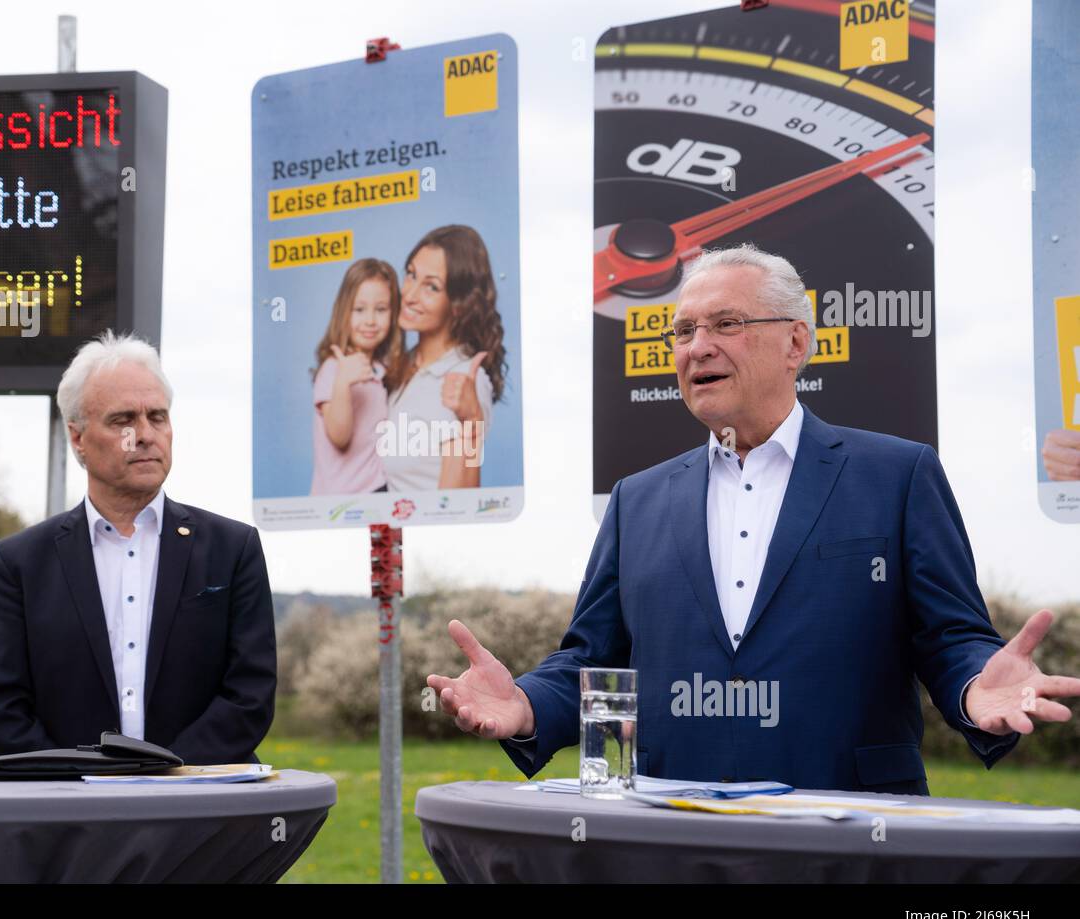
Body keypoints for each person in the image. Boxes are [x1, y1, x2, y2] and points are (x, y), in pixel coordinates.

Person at [428, 244, 1080, 794]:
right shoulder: (636, 500)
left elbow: (949, 639)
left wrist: (974, 688)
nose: (696, 348)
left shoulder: (898, 475)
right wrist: (523, 706)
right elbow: (594, 661)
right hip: (675, 842)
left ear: (795, 341)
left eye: (725, 324)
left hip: (852, 838)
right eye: (682, 332)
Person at [0, 331, 276, 764]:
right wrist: (86, 786)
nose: (146, 435)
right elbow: (3, 714)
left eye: (158, 417)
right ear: (77, 437)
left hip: (202, 809)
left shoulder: (234, 549)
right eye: (123, 421)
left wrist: (165, 775)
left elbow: (251, 696)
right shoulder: (18, 564)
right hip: (69, 817)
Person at [383, 225, 506, 491]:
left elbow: (459, 505)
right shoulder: (403, 365)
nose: (410, 295)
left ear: (459, 303)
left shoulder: (465, 379)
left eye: (431, 287)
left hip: (431, 531)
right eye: (411, 275)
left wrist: (470, 422)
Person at [309, 258, 405, 495]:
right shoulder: (333, 369)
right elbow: (339, 437)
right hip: (338, 504)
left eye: (381, 309)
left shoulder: (382, 371)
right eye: (359, 309)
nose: (370, 320)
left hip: (377, 493)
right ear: (344, 312)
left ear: (392, 315)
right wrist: (343, 382)